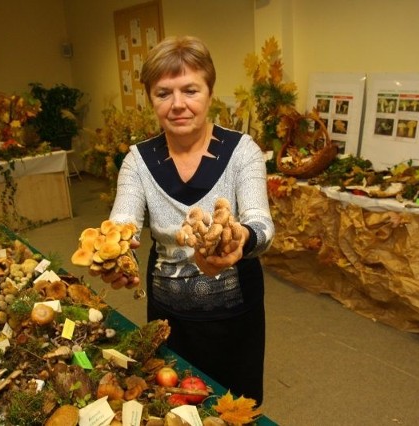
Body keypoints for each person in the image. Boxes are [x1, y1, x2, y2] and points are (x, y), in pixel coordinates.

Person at [103, 35, 274, 404]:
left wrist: (239, 237)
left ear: (210, 93)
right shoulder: (138, 161)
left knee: (234, 407)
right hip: (169, 320)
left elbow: (262, 224)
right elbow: (123, 222)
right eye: (164, 93)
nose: (178, 105)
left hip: (235, 318)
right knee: (171, 404)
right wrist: (117, 254)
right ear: (150, 98)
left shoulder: (242, 152)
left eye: (190, 90)